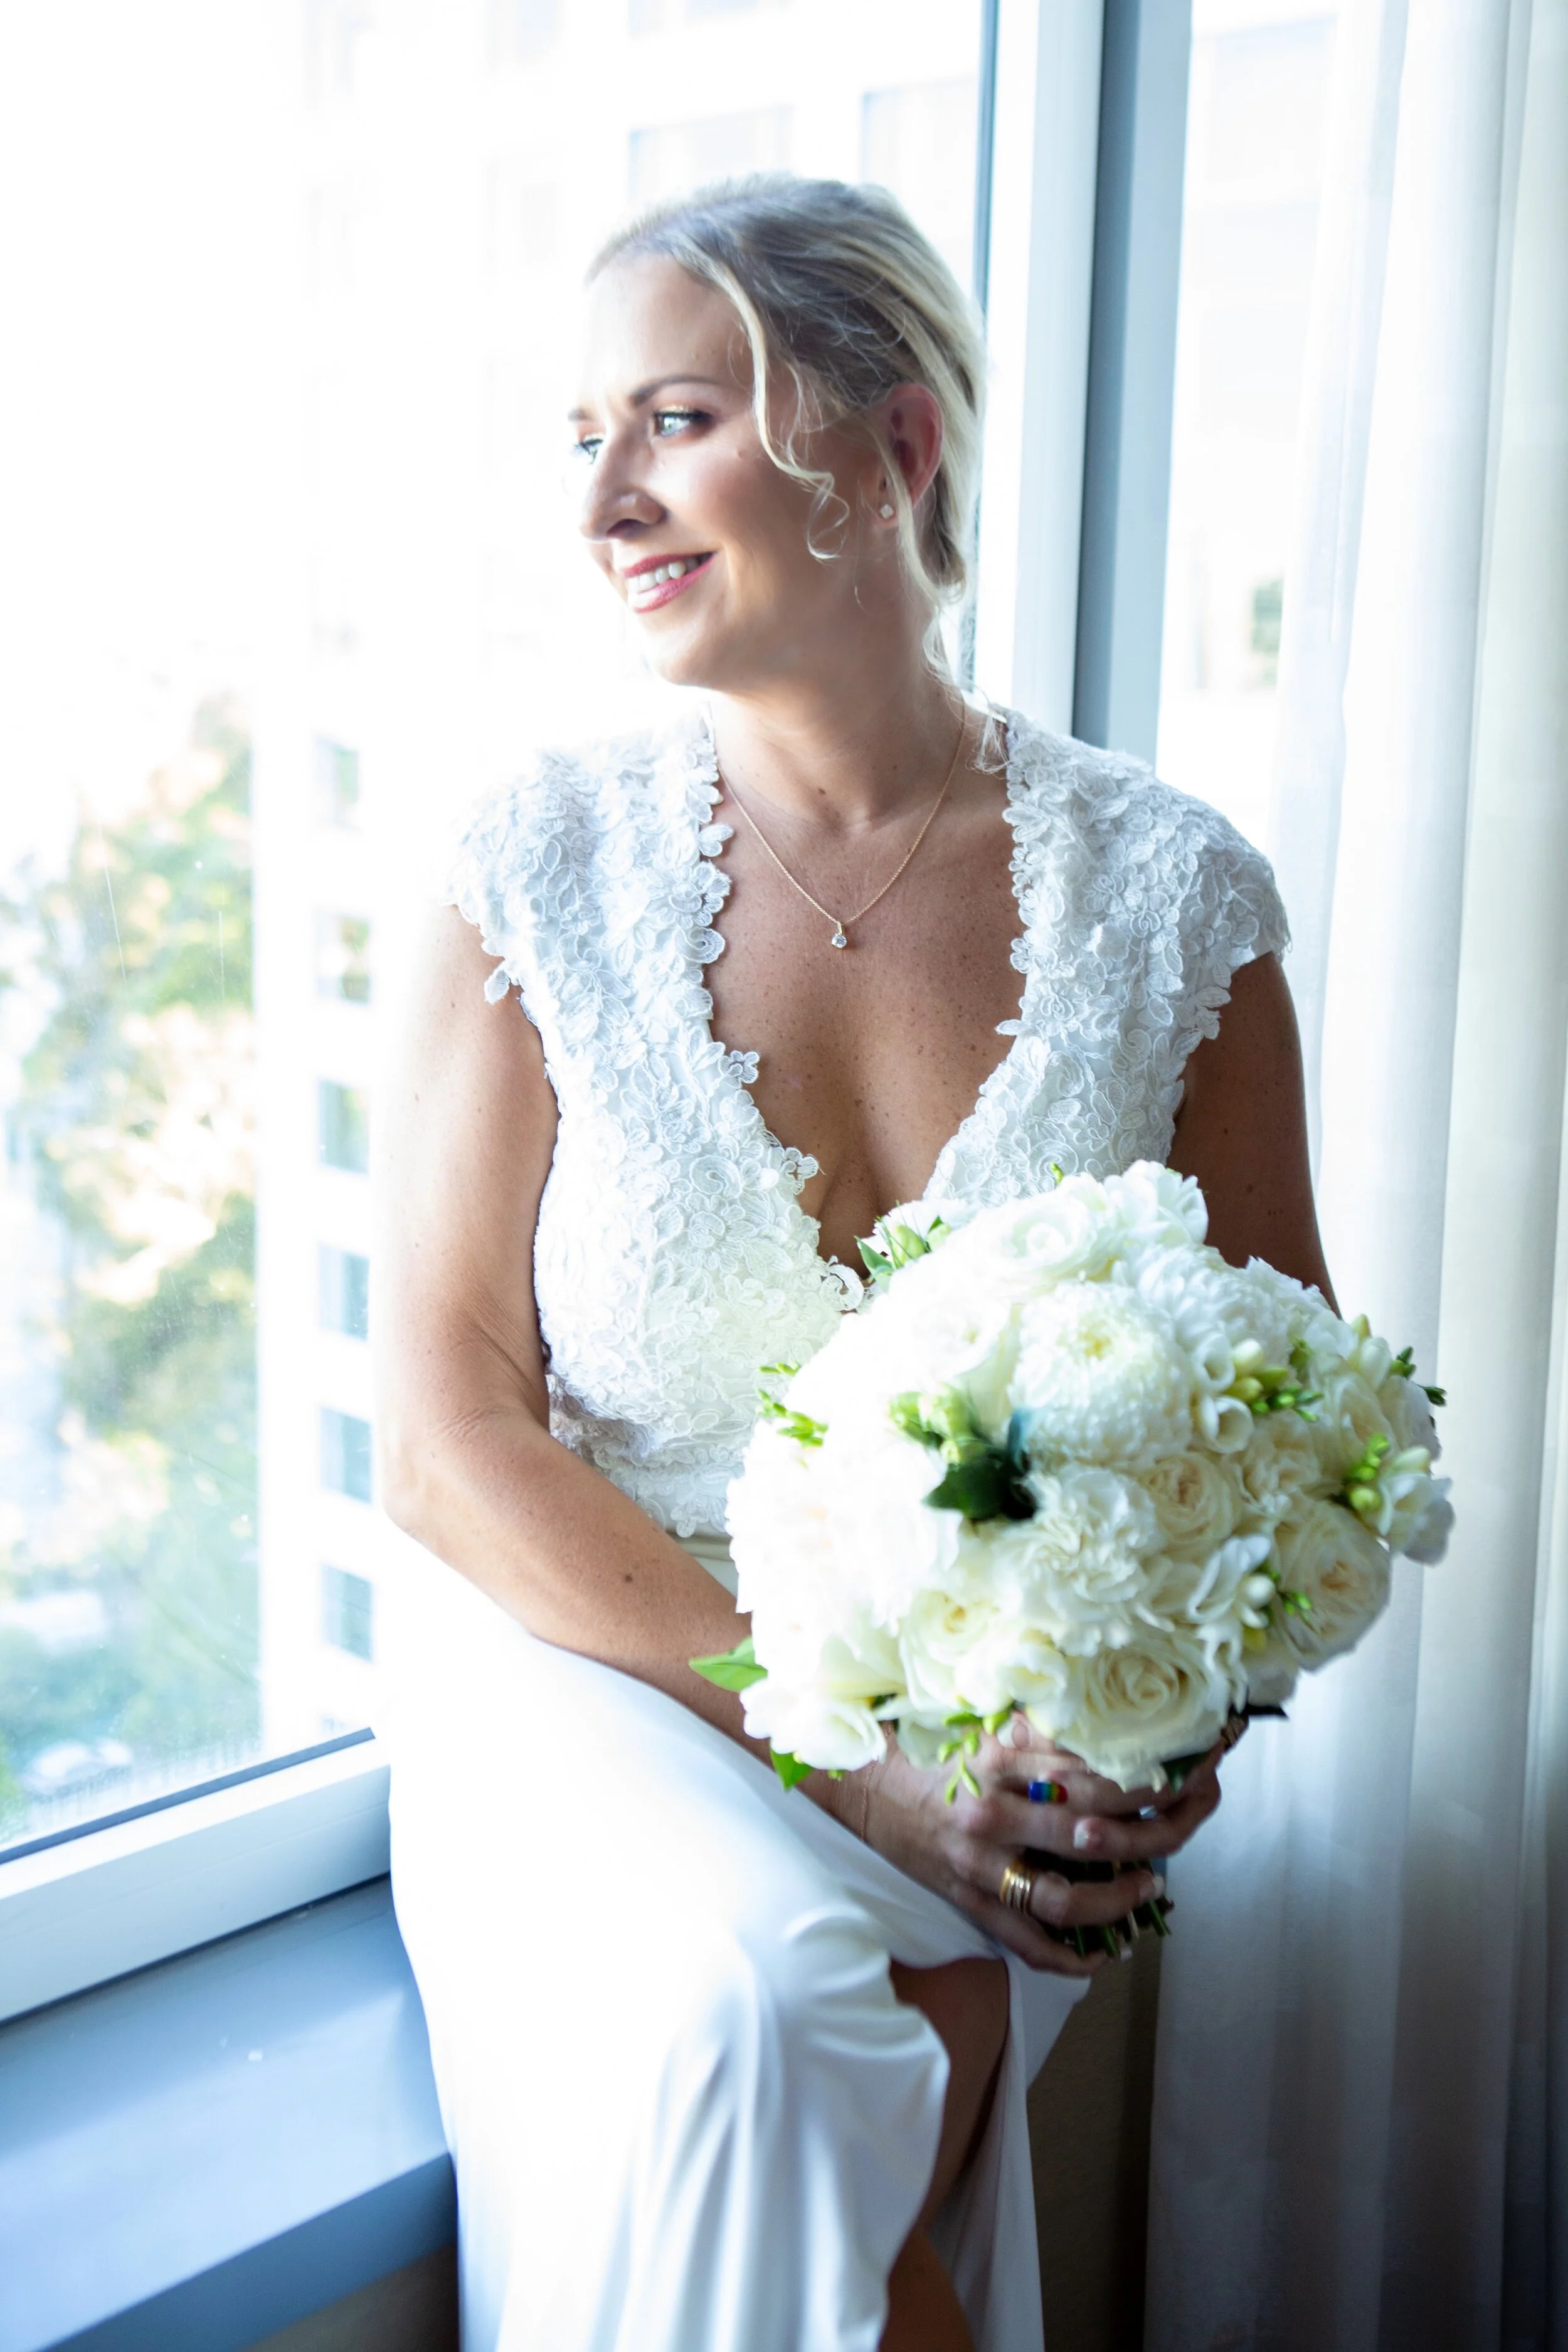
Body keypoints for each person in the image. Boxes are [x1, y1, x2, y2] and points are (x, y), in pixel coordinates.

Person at [376, 174, 1333, 2352]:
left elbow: (1294, 1438)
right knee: (759, 2025)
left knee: (837, 2051)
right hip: (590, 1664)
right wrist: (846, 1762)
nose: (606, 494)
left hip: (983, 1742)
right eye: (583, 434)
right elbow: (442, 1438)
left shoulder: (1179, 901)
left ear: (894, 449)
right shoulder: (529, 865)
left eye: (676, 418)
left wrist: (1157, 1738)